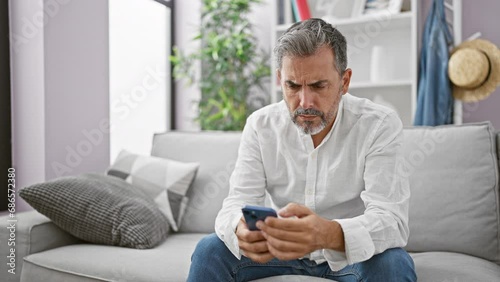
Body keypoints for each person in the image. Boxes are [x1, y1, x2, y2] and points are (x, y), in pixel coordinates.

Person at [188, 18, 416, 282]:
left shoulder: (379, 124)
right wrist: (239, 228)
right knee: (209, 251)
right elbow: (236, 203)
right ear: (279, 80)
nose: (305, 102)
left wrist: (327, 234)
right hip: (278, 251)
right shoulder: (260, 125)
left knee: (394, 264)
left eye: (319, 86)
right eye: (293, 86)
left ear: (344, 81)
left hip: (349, 254)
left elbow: (392, 220)